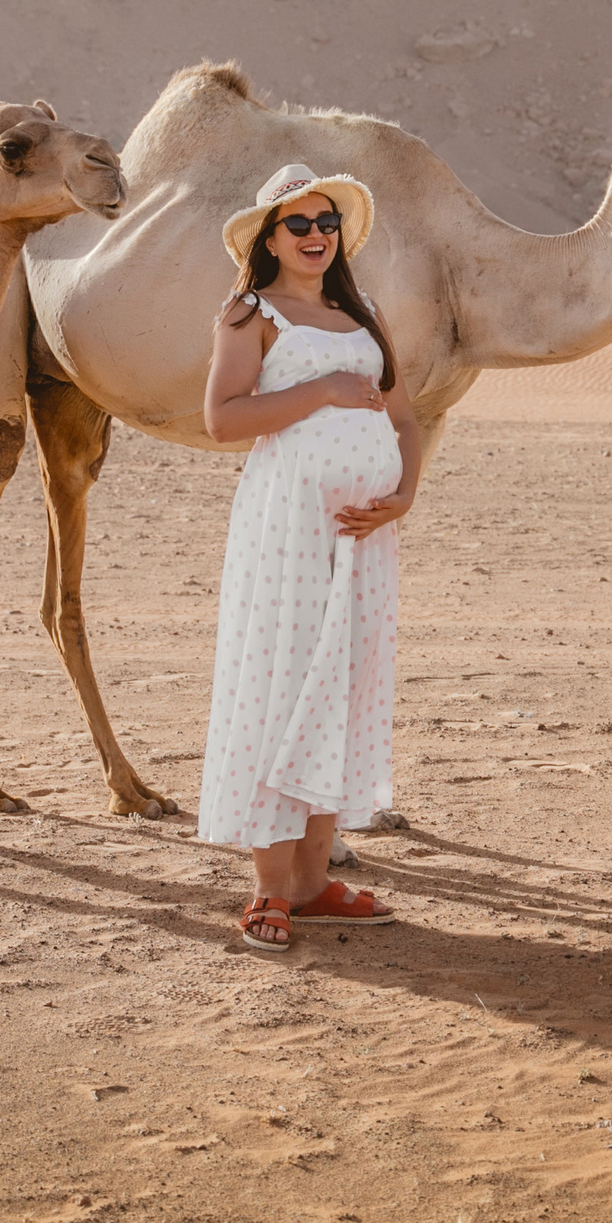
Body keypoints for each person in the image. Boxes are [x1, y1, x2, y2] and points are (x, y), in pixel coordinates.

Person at [199, 163, 423, 951]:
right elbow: (224, 418)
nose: (317, 236)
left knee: (342, 686)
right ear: (269, 236)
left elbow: (404, 420)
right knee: (281, 682)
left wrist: (403, 496)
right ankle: (269, 888)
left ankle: (314, 880)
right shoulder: (249, 313)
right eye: (299, 224)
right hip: (285, 530)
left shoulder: (363, 316)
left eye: (327, 222)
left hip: (363, 541)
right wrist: (324, 389)